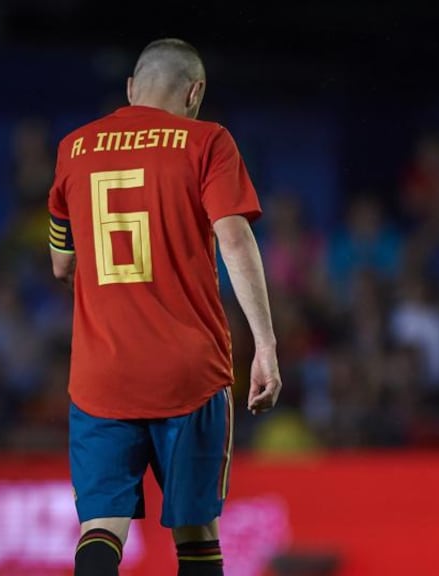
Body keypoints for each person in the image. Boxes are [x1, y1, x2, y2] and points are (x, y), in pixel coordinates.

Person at [47, 39, 281, 576]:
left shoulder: (73, 148)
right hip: (188, 375)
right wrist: (265, 345)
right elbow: (235, 239)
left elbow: (62, 265)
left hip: (101, 374)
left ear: (131, 88)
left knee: (101, 527)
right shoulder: (207, 142)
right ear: (194, 92)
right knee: (196, 530)